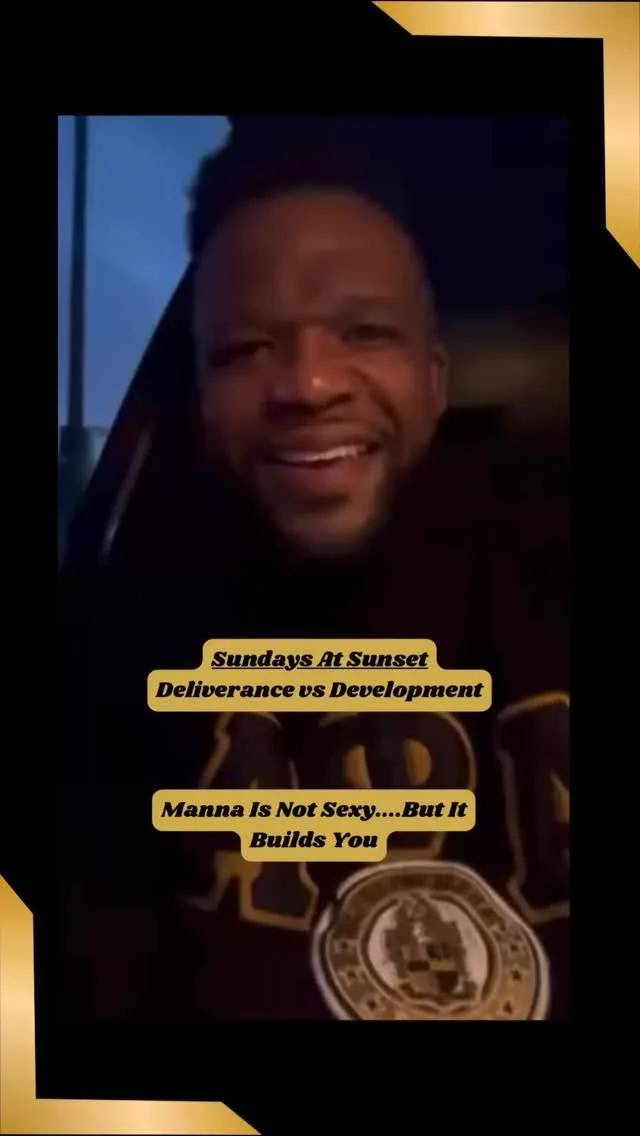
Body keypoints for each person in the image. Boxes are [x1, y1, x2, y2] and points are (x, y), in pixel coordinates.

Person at [55, 120, 569, 1023]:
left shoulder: (542, 568)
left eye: (364, 332)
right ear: (203, 405)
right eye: (246, 349)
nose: (309, 383)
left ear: (435, 382)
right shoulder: (113, 652)